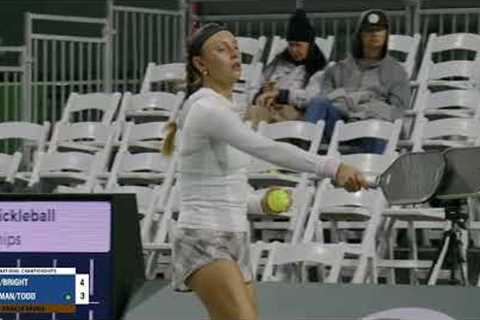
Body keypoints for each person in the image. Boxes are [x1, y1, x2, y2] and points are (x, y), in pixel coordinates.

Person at [163, 23, 368, 320]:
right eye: (221, 49)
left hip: (237, 236)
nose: (234, 54)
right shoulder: (207, 110)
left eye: (235, 47)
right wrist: (332, 167)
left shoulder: (227, 108)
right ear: (200, 64)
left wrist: (260, 202)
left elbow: (230, 185)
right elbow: (266, 148)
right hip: (203, 236)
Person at [304, 9, 410, 153]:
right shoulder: (338, 69)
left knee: (378, 125)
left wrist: (365, 110)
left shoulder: (396, 71)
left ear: (386, 34)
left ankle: (373, 172)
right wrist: (352, 104)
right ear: (360, 35)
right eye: (368, 30)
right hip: (341, 124)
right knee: (318, 103)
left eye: (380, 30)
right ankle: (300, 157)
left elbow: (397, 111)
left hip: (373, 126)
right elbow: (327, 97)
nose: (374, 34)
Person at [245, 9, 327, 127]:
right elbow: (255, 85)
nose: (294, 50)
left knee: (256, 115)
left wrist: (281, 94)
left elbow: (311, 98)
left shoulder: (318, 69)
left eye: (298, 45)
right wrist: (260, 95)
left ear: (310, 45)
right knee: (253, 111)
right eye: (291, 45)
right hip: (269, 110)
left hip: (294, 115)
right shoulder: (278, 63)